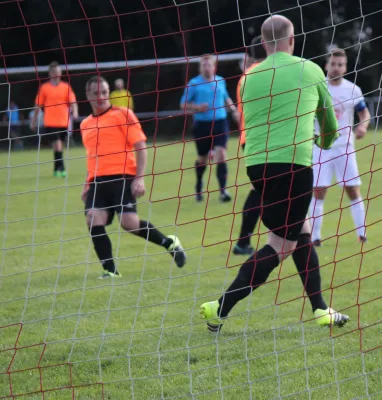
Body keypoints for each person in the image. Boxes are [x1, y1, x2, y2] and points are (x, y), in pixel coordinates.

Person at [200, 15, 350, 332]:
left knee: (302, 229)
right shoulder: (310, 69)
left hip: (257, 166)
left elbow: (247, 124)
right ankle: (219, 307)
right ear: (292, 39)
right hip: (294, 164)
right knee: (282, 245)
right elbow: (329, 127)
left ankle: (321, 308)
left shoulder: (246, 78)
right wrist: (321, 142)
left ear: (264, 44)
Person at [80, 76, 187, 279]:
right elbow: (91, 156)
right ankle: (110, 270)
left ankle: (169, 243)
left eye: (104, 92)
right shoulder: (85, 124)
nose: (100, 97)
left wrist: (139, 178)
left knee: (129, 223)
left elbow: (140, 146)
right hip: (97, 181)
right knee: (93, 218)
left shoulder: (123, 114)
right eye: (95, 93)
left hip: (123, 177)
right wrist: (87, 183)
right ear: (87, 95)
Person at [308, 48, 371, 246]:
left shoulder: (353, 90)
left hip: (345, 147)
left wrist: (362, 126)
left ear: (345, 67)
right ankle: (314, 237)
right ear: (326, 65)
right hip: (321, 147)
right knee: (318, 190)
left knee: (353, 190)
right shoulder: (318, 87)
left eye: (340, 65)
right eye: (333, 64)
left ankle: (362, 234)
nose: (336, 68)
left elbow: (364, 114)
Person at [180, 54, 240, 203]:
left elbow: (226, 98)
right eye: (203, 65)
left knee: (221, 154)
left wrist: (233, 110)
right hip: (202, 125)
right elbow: (183, 104)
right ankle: (199, 186)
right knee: (203, 159)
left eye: (209, 65)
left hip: (220, 122)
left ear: (214, 66)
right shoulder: (193, 84)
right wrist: (197, 107)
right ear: (200, 67)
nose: (206, 68)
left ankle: (223, 191)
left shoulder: (220, 81)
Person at [232, 35, 267, 256]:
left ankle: (243, 242)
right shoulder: (264, 73)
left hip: (250, 139)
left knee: (262, 190)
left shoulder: (246, 75)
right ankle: (243, 242)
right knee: (264, 191)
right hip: (261, 139)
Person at [32, 61, 79, 177]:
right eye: (54, 72)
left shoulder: (66, 86)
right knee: (58, 145)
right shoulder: (44, 88)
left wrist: (75, 112)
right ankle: (62, 169)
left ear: (61, 73)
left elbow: (73, 102)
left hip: (64, 122)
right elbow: (38, 105)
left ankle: (55, 170)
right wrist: (33, 121)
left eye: (58, 72)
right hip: (50, 122)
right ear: (50, 73)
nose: (56, 74)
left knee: (58, 146)